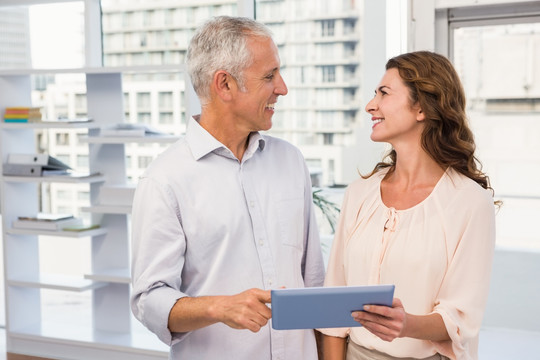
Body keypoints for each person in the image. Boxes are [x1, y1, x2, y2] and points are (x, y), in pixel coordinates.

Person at [130, 16, 325, 360]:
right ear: (225, 85)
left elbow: (313, 283)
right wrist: (218, 307)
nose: (282, 88)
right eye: (269, 75)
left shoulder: (291, 161)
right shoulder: (165, 180)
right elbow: (149, 299)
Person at [319, 51, 497, 360]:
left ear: (421, 108)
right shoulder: (359, 194)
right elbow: (334, 308)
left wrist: (406, 324)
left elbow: (461, 320)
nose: (370, 105)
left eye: (383, 93)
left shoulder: (470, 202)